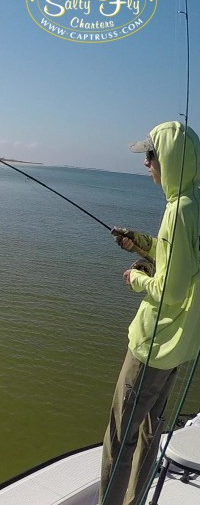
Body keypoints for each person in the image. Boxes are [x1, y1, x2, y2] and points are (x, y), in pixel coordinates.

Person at [100, 121, 200, 505]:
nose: (145, 164)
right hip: (179, 347)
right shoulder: (195, 205)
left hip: (153, 346)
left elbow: (170, 291)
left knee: (119, 438)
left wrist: (135, 279)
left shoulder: (177, 212)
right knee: (148, 432)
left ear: (169, 160)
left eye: (150, 156)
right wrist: (141, 245)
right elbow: (183, 263)